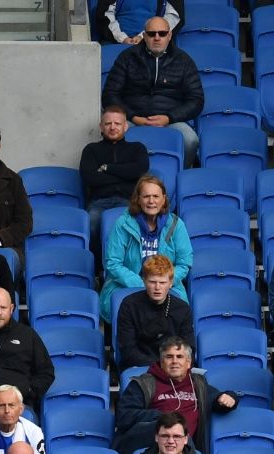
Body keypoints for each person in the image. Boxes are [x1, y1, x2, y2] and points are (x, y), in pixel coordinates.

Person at [102, 16, 204, 160]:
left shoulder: (184, 61)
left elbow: (196, 100)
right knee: (112, 135)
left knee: (190, 140)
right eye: (151, 34)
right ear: (144, 36)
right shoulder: (127, 57)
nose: (157, 38)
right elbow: (109, 95)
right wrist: (133, 117)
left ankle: (179, 176)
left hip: (171, 121)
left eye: (162, 33)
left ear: (169, 36)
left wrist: (169, 117)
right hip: (132, 119)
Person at [113, 337, 236, 454]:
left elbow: (219, 399)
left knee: (179, 434)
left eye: (180, 357)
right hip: (145, 444)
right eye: (169, 357)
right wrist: (161, 417)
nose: (174, 361)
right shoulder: (144, 383)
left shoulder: (198, 384)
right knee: (174, 429)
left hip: (183, 448)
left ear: (188, 363)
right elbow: (124, 416)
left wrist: (230, 397)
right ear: (161, 362)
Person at [100, 175, 192, 317]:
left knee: (177, 315)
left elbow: (184, 263)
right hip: (127, 285)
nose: (151, 201)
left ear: (164, 199)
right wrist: (144, 285)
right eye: (146, 196)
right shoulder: (123, 224)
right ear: (138, 199)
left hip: (165, 285)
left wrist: (162, 283)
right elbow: (113, 263)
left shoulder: (176, 224)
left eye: (156, 196)